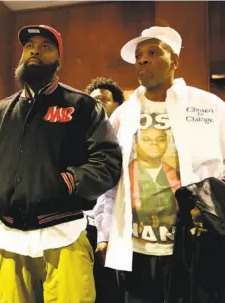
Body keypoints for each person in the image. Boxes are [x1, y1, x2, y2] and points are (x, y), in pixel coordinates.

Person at [94, 26, 225, 302]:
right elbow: (109, 181)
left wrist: (218, 204)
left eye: (153, 52)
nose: (142, 60)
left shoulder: (208, 106)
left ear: (175, 61)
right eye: (139, 56)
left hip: (193, 249)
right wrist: (104, 231)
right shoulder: (123, 115)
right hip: (136, 250)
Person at [0, 24, 122, 303]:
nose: (35, 52)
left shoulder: (83, 106)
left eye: (45, 47)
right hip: (7, 238)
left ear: (58, 60)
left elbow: (108, 161)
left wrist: (67, 181)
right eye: (29, 47)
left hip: (63, 236)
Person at [84, 77, 126, 303]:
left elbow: (109, 191)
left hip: (117, 228)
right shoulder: (81, 139)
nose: (97, 106)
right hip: (85, 228)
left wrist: (105, 234)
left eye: (103, 100)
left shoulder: (126, 139)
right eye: (93, 102)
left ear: (118, 105)